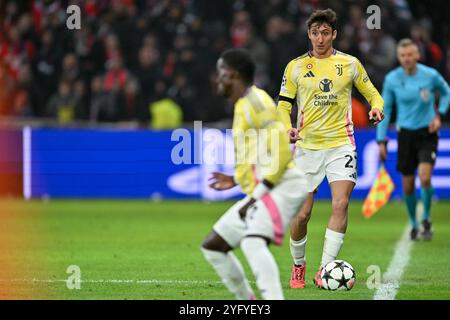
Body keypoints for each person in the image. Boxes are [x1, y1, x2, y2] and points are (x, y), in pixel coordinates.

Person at [276, 9, 384, 289]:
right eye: (315, 33)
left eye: (325, 33)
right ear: (309, 35)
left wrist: (376, 108)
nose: (320, 38)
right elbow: (284, 104)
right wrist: (285, 127)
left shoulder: (350, 64)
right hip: (307, 147)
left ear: (334, 34)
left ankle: (324, 269)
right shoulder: (295, 67)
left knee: (341, 203)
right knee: (302, 214)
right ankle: (299, 266)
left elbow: (372, 93)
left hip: (341, 144)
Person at [201, 48, 309, 300]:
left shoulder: (257, 103)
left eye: (221, 74)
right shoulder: (243, 105)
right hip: (266, 188)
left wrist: (254, 197)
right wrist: (236, 179)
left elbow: (282, 152)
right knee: (214, 247)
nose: (218, 80)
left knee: (252, 242)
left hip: (283, 186)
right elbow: (260, 154)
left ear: (233, 75)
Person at [377, 38, 450, 240]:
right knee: (408, 184)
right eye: (403, 55)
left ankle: (426, 218)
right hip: (406, 135)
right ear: (399, 58)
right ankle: (414, 223)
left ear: (417, 55)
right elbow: (386, 109)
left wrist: (439, 115)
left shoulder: (430, 75)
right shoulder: (392, 79)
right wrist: (381, 140)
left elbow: (446, 93)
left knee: (425, 177)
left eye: (410, 54)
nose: (407, 58)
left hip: (427, 133)